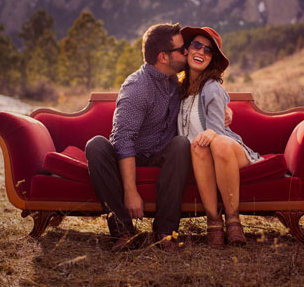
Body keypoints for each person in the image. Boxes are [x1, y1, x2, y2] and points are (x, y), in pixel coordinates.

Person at [85, 23, 231, 252]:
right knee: (95, 146)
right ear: (163, 57)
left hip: (161, 154)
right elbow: (123, 140)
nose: (187, 52)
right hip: (131, 154)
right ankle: (124, 232)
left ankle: (164, 232)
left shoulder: (176, 81)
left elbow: (204, 90)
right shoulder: (137, 87)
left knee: (181, 144)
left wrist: (224, 108)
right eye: (182, 49)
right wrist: (131, 190)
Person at [178, 26, 263, 249]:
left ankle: (234, 220)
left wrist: (212, 128)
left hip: (227, 150)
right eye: (197, 45)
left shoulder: (212, 87)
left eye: (209, 50)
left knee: (219, 143)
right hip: (199, 153)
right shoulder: (176, 88)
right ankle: (213, 221)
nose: (202, 52)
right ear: (186, 50)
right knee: (198, 147)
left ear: (212, 59)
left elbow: (217, 130)